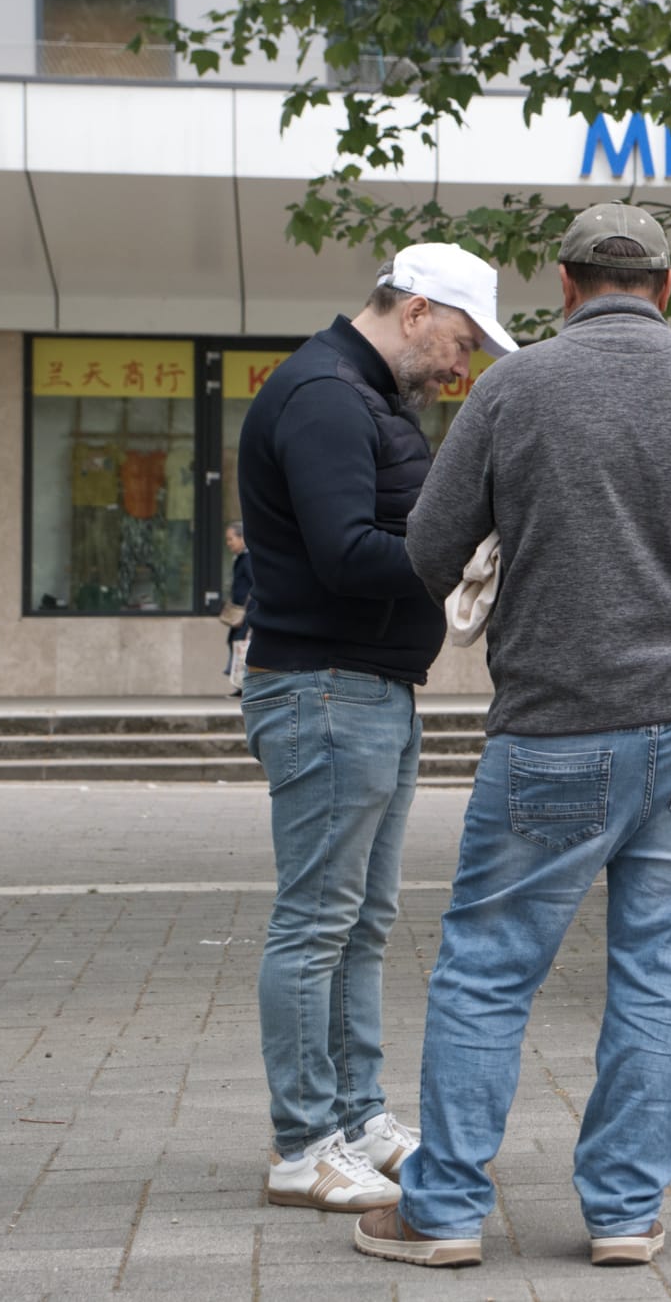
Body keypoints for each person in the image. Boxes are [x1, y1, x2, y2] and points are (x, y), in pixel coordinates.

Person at [359, 203, 671, 1270]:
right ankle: (621, 1211)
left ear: (562, 288)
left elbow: (428, 550)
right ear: (666, 287)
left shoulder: (513, 388)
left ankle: (445, 1211)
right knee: (663, 978)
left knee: (485, 970)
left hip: (558, 724)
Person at [238, 243, 516, 1213]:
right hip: (325, 691)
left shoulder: (357, 399)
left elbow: (372, 539)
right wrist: (463, 548)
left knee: (358, 924)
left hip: (362, 690)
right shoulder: (322, 396)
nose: (462, 363)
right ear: (414, 311)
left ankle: (354, 1121)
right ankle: (301, 1143)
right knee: (318, 924)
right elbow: (346, 551)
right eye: (460, 337)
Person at [221, 520, 252, 692]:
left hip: (245, 613)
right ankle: (238, 682)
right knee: (234, 642)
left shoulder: (247, 560)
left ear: (241, 538)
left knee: (241, 645)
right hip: (241, 612)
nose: (229, 543)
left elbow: (253, 585)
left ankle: (243, 684)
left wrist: (247, 610)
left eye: (231, 539)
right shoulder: (240, 559)